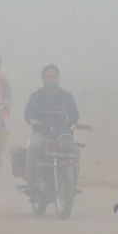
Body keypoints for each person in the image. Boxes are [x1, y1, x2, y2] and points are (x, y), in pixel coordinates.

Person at [22, 64, 80, 196]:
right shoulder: (37, 96)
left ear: (58, 77)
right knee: (33, 146)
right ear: (43, 79)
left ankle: (71, 183)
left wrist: (72, 125)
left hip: (62, 136)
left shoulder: (67, 96)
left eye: (54, 76)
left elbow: (74, 116)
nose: (52, 79)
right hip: (42, 134)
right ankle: (30, 183)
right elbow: (28, 114)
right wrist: (35, 122)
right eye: (48, 77)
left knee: (76, 151)